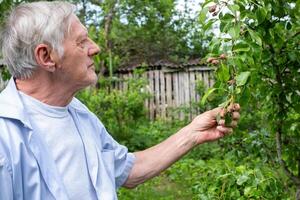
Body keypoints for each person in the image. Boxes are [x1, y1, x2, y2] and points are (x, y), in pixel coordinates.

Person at [0, 1, 240, 200]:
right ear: (46, 56)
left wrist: (193, 133)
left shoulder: (78, 113)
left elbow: (128, 171)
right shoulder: (4, 136)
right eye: (82, 42)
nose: (95, 48)